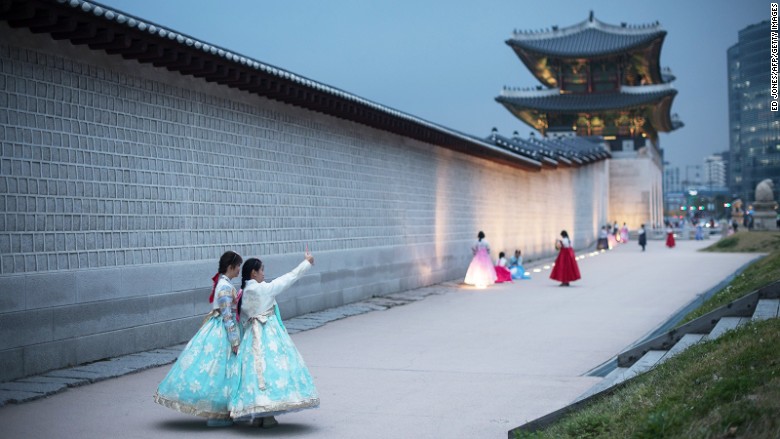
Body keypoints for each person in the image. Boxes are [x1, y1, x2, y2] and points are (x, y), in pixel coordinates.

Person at [154, 251, 244, 427]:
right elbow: (227, 316)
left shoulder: (222, 282)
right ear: (231, 267)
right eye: (238, 266)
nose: (239, 270)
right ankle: (218, 414)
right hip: (222, 332)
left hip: (217, 328)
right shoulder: (225, 286)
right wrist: (234, 340)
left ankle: (221, 412)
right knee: (221, 371)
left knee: (217, 372)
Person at [230, 251, 319, 427]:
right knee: (273, 371)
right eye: (262, 270)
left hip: (250, 338)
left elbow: (240, 321)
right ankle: (268, 416)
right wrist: (307, 263)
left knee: (254, 374)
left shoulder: (243, 293)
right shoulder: (263, 289)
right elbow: (288, 278)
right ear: (253, 273)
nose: (264, 274)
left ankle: (258, 415)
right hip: (267, 334)